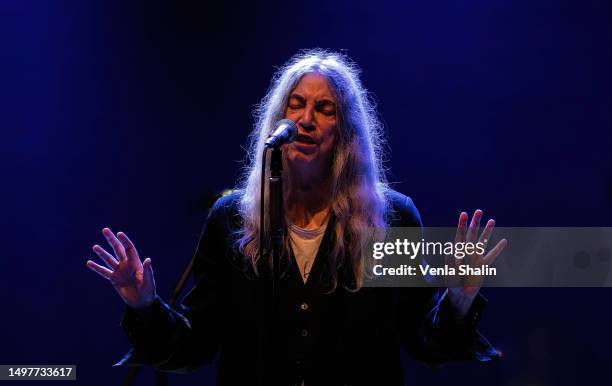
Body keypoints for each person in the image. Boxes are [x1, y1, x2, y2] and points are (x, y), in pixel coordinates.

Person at [86, 50, 507, 386]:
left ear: (345, 132)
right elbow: (195, 345)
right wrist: (143, 305)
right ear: (278, 121)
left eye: (325, 109)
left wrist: (460, 295)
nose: (306, 120)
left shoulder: (391, 219)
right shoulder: (232, 219)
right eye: (297, 104)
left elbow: (424, 343)